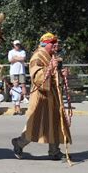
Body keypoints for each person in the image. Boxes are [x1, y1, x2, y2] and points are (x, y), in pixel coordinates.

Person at [11, 32, 72, 161]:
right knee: (36, 125)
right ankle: (19, 143)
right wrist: (50, 69)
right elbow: (37, 77)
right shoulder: (37, 56)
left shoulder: (52, 56)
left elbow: (55, 75)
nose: (56, 45)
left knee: (56, 123)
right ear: (45, 44)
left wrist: (62, 73)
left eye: (56, 43)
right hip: (41, 96)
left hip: (53, 95)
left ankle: (54, 151)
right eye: (53, 43)